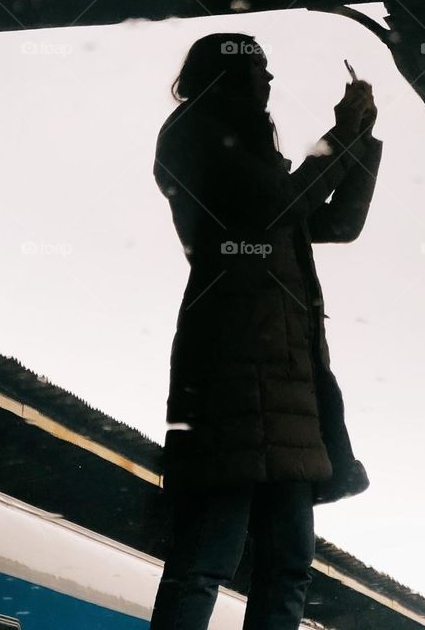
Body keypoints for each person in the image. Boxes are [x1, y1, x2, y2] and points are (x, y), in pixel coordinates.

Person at [148, 31, 381, 630]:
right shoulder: (195, 134)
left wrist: (361, 138)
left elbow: (338, 223)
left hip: (289, 377)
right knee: (208, 557)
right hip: (229, 365)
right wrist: (341, 135)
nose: (269, 82)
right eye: (259, 70)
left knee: (288, 567)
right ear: (225, 76)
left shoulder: (255, 158)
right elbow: (276, 205)